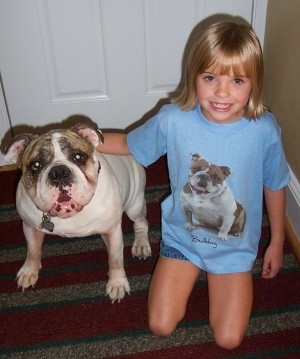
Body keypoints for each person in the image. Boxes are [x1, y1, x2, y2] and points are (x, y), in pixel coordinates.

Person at [97, 21, 290, 349]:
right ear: (194, 77)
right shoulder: (174, 119)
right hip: (182, 240)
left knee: (229, 340)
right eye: (210, 77)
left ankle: (221, 275)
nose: (222, 92)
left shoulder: (264, 130)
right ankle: (190, 267)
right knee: (160, 325)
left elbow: (275, 183)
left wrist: (277, 241)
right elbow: (131, 143)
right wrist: (85, 139)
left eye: (237, 80)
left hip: (234, 247)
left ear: (254, 84)